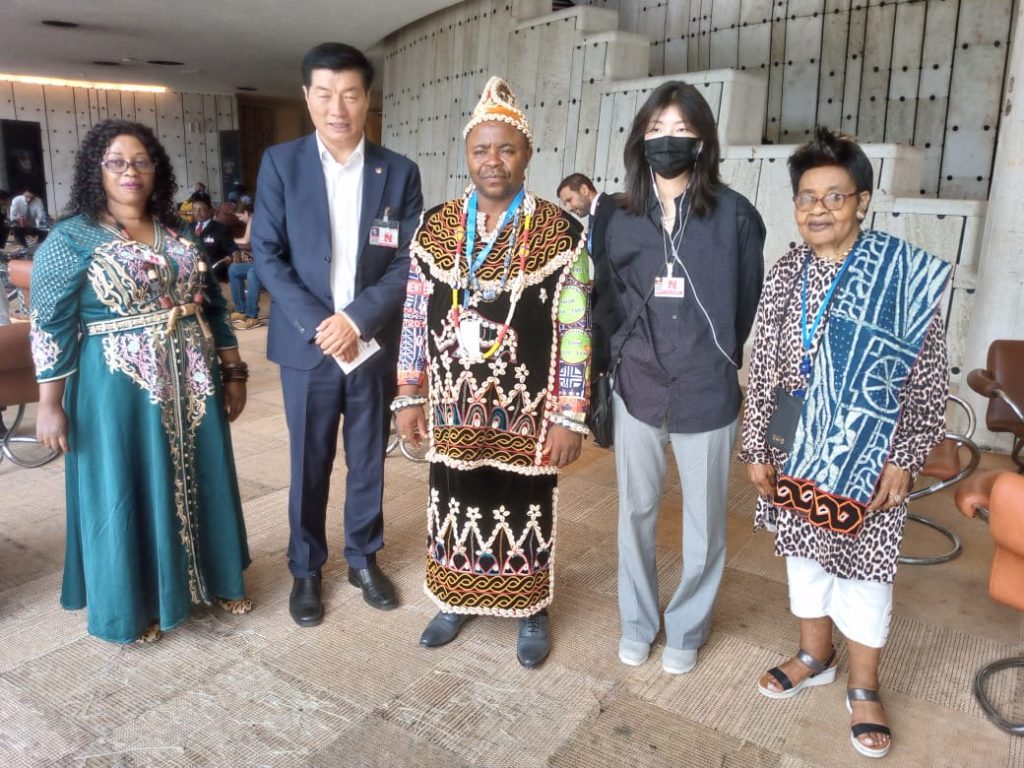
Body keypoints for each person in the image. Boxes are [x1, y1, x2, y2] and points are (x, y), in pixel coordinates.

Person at [739, 127, 950, 759]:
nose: (819, 209)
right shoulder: (786, 271)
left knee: (865, 572)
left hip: (869, 451)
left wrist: (904, 458)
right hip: (794, 444)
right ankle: (815, 656)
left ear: (862, 200)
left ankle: (863, 686)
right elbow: (764, 362)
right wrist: (757, 446)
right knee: (803, 558)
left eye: (835, 196)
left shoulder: (900, 274)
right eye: (806, 197)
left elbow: (928, 378)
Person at [29, 119, 252, 644]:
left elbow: (213, 309)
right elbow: (49, 324)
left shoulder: (179, 235)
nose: (130, 171)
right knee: (125, 491)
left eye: (141, 161)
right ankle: (135, 604)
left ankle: (217, 577)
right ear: (97, 170)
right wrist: (49, 402)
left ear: (157, 170)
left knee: (204, 474)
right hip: (117, 390)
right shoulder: (71, 238)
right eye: (116, 162)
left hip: (192, 382)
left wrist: (234, 370)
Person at [395, 76, 590, 668]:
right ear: (466, 155)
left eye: (506, 149)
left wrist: (569, 417)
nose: (493, 161)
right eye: (481, 149)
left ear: (527, 155)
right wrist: (408, 393)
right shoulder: (435, 226)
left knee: (524, 502)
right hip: (453, 406)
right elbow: (414, 313)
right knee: (453, 498)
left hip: (528, 411)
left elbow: (577, 329)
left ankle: (530, 607)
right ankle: (455, 598)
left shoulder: (561, 231)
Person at [252, 42, 423, 626]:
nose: (337, 107)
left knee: (369, 458)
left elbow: (408, 259)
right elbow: (268, 254)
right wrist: (323, 325)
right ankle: (306, 568)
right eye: (324, 94)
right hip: (308, 346)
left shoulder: (398, 172)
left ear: (367, 98)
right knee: (310, 460)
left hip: (371, 342)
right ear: (307, 97)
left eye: (350, 94)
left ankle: (363, 558)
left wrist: (356, 320)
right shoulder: (282, 164)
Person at [605, 81, 765, 675]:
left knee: (705, 524)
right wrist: (621, 356)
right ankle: (637, 622)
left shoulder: (736, 216)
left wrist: (714, 353)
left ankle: (687, 629)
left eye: (680, 130)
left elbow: (744, 303)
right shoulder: (617, 216)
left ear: (702, 141)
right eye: (656, 130)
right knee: (635, 514)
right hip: (639, 386)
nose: (666, 140)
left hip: (706, 388)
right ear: (639, 140)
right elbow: (607, 299)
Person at [557, 173, 618, 373]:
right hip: (604, 299)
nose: (569, 207)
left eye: (569, 199)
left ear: (584, 189)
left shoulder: (611, 207)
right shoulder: (594, 216)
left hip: (615, 302)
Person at [227, 202, 263, 329]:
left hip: (263, 263)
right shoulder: (251, 220)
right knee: (234, 269)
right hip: (256, 262)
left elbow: (246, 241)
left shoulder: (255, 219)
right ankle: (240, 310)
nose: (239, 219)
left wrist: (228, 241)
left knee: (252, 273)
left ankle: (252, 315)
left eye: (239, 216)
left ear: (246, 213)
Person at [191, 195, 237, 281]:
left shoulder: (220, 228)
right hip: (191, 271)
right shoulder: (188, 227)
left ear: (210, 210)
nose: (197, 213)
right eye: (194, 209)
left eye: (201, 209)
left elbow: (231, 248)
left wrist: (231, 255)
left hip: (213, 272)